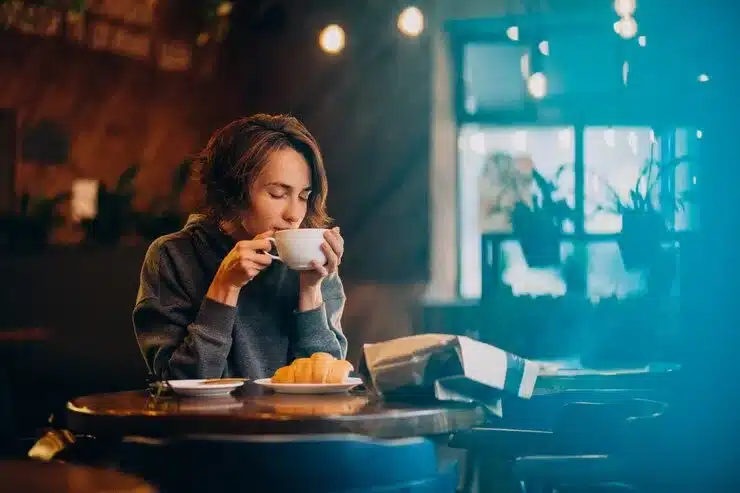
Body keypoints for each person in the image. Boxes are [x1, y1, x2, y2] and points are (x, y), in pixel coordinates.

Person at [132, 114, 347, 381]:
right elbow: (176, 384)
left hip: (294, 423)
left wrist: (311, 291)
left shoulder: (313, 259)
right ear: (232, 191)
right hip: (206, 424)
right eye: (278, 194)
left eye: (304, 196)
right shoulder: (173, 256)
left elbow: (328, 382)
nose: (295, 214)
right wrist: (225, 287)